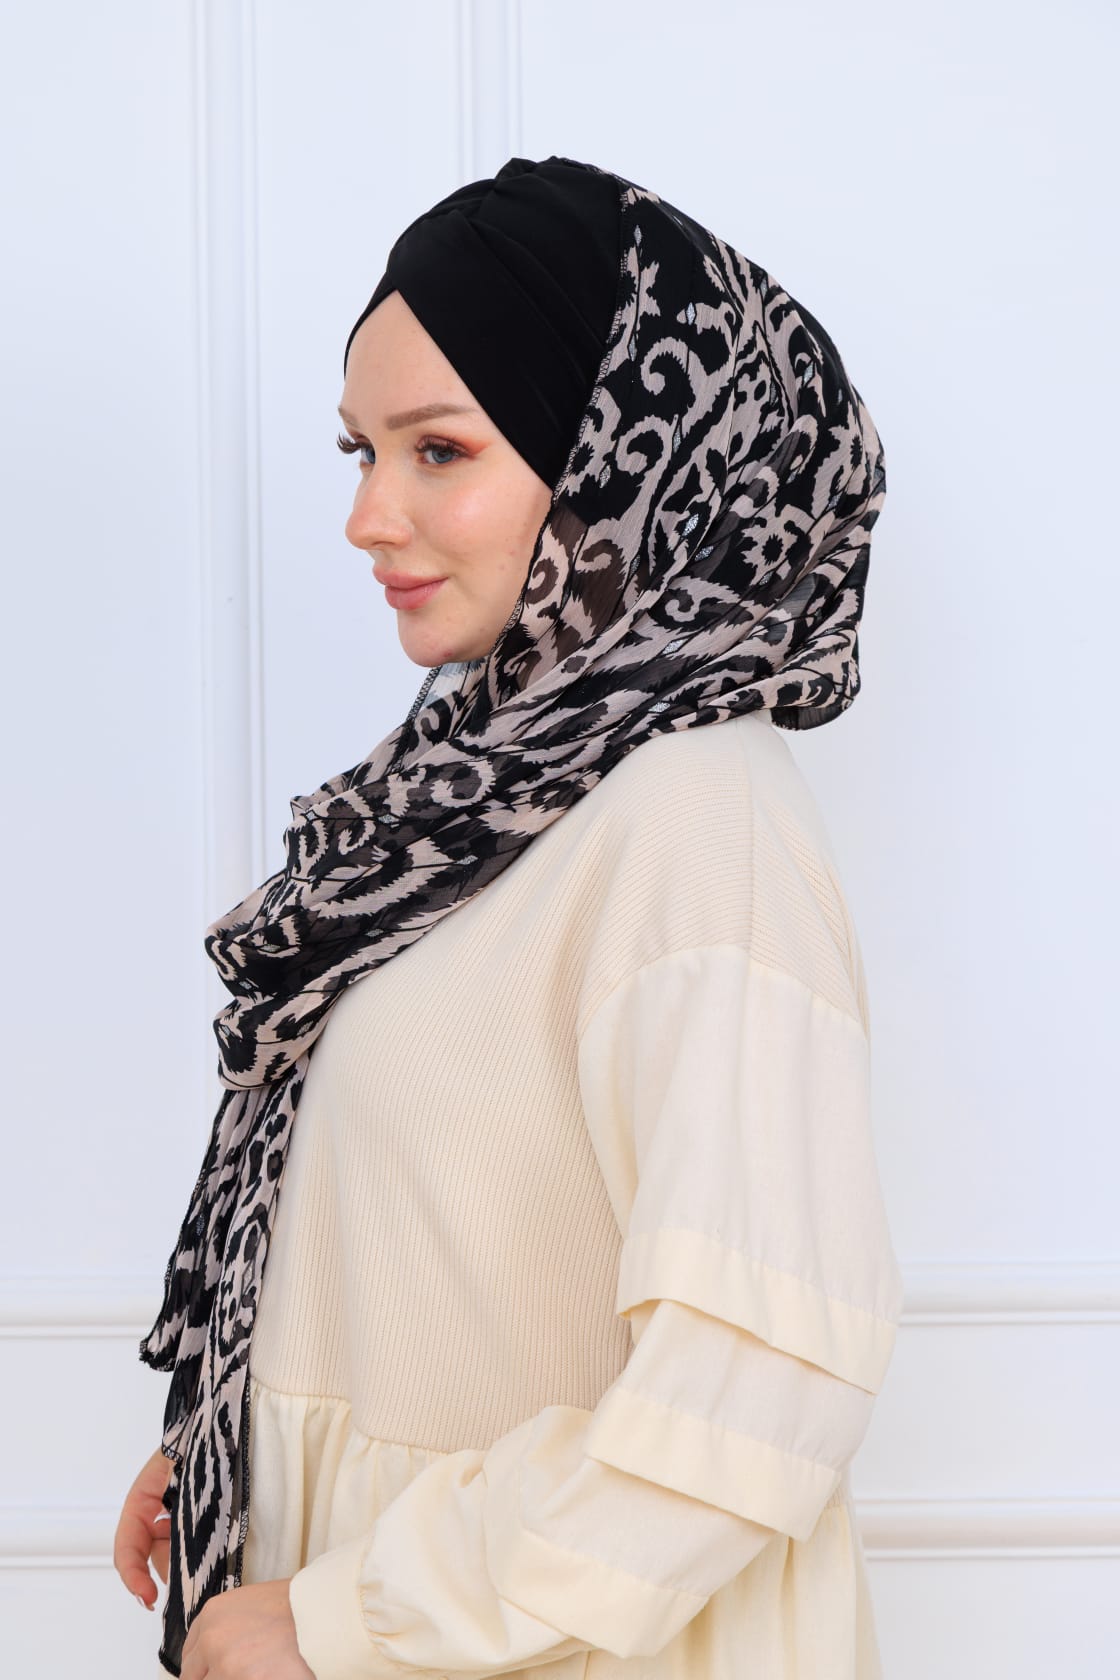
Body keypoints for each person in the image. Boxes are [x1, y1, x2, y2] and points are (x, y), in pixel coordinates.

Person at [114, 154, 904, 1679]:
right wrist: (243, 1440)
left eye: (439, 450)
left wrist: (342, 1618)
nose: (369, 516)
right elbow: (455, 1229)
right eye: (359, 450)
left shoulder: (694, 815)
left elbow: (764, 1380)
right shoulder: (487, 793)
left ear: (626, 457)